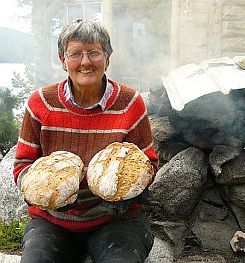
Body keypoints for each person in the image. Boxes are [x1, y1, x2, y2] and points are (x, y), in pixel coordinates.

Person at [13, 19, 158, 263]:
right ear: (63, 60)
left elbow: (148, 164)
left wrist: (128, 194)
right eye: (76, 54)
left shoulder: (130, 104)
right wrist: (43, 192)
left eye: (94, 52)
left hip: (117, 221)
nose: (85, 62)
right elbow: (23, 165)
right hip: (52, 222)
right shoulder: (41, 103)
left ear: (107, 57)